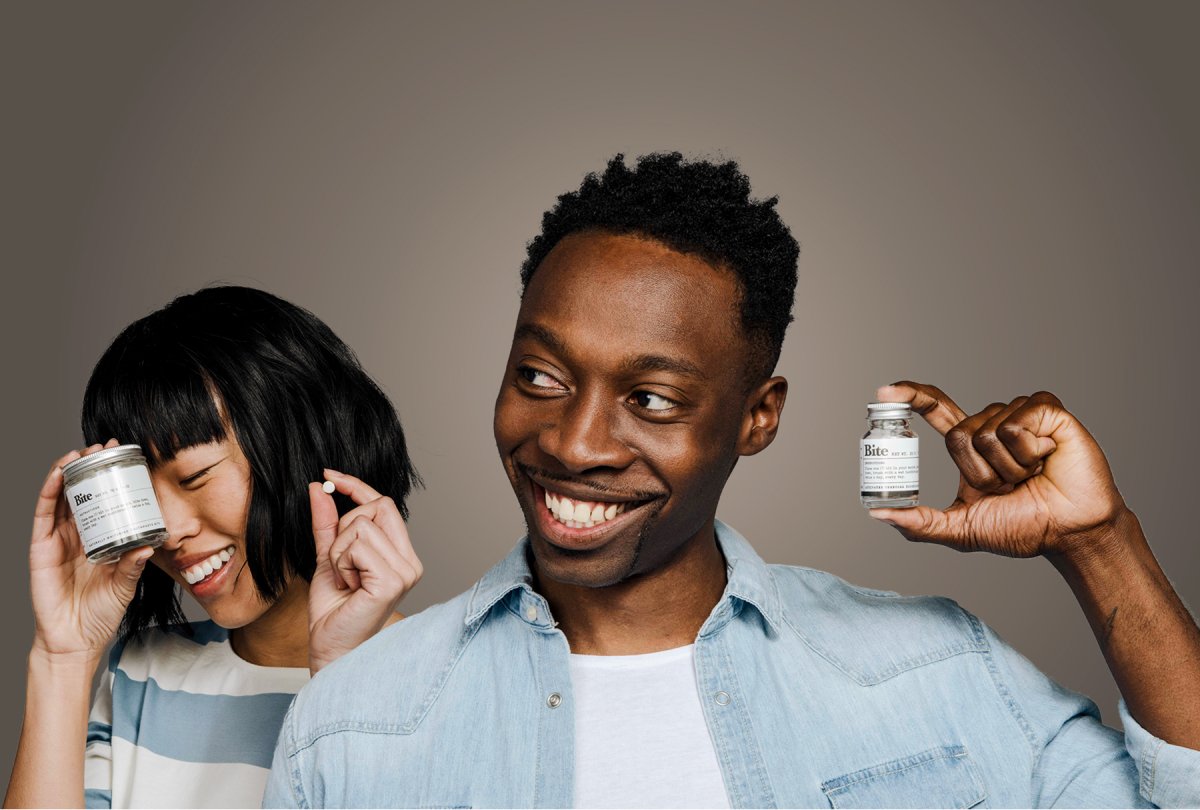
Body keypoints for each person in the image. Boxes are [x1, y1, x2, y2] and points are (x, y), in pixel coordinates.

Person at [264, 154, 1200, 808]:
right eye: (540, 377)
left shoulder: (933, 674)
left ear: (759, 417)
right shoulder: (355, 726)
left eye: (653, 398)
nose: (576, 442)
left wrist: (1099, 545)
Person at [5, 286, 423, 808]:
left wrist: (343, 678)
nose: (169, 530)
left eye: (196, 476)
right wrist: (62, 658)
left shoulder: (457, 676)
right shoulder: (143, 673)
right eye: (143, 498)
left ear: (302, 443)